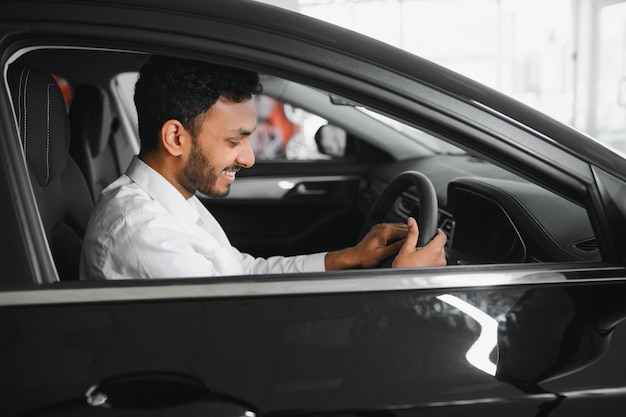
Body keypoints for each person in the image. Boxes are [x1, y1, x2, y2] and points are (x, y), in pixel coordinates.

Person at [79, 56, 447, 280]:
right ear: (176, 137)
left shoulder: (170, 199)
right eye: (234, 140)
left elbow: (241, 273)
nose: (249, 158)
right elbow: (239, 333)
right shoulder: (144, 232)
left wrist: (352, 257)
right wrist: (404, 285)